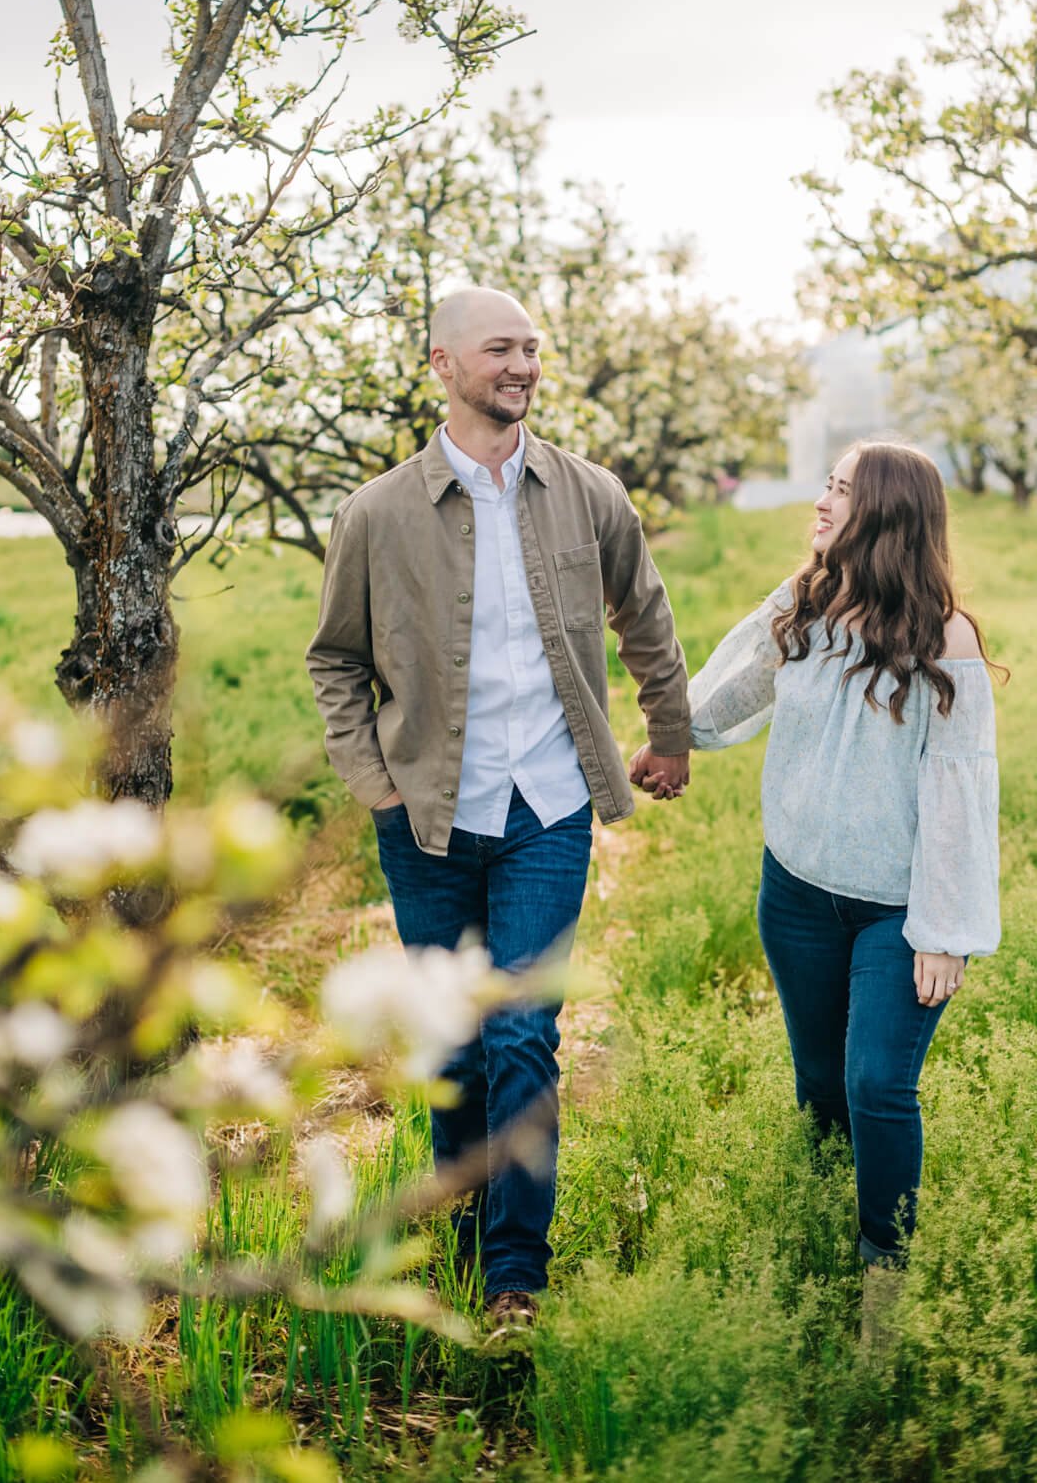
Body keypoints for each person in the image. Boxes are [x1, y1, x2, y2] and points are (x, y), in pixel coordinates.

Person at [306, 286, 690, 1330]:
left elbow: (644, 613)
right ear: (442, 363)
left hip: (548, 804)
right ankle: (462, 1248)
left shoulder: (587, 491)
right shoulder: (379, 513)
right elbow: (335, 658)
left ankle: (516, 1277)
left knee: (523, 1032)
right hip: (425, 815)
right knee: (453, 1045)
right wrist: (371, 780)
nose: (521, 365)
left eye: (531, 348)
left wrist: (669, 729)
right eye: (499, 349)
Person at [682, 441, 1001, 1347]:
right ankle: (819, 1221)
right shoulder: (807, 601)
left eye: (840, 490)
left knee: (874, 1085)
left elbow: (957, 792)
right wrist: (669, 730)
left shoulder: (947, 639)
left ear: (889, 514)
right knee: (819, 1083)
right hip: (795, 894)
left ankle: (880, 1290)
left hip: (896, 914)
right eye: (823, 484)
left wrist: (943, 931)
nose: (820, 502)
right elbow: (723, 698)